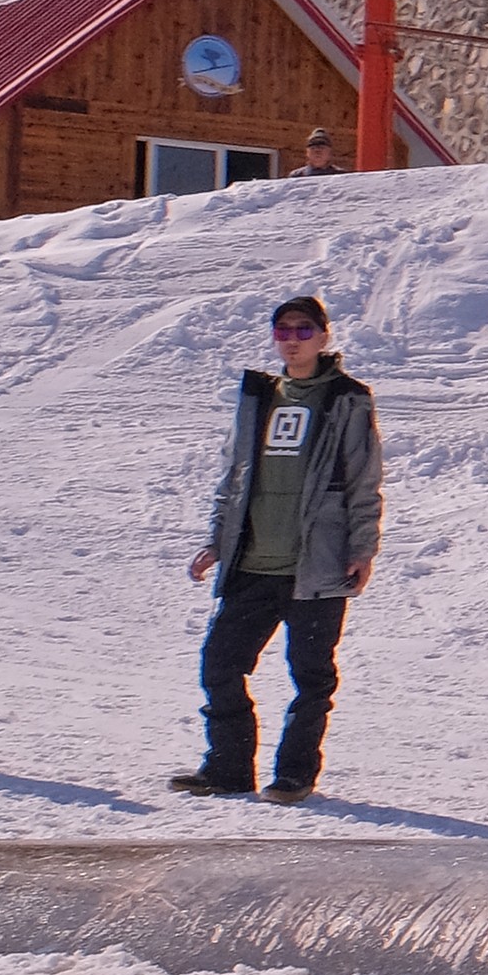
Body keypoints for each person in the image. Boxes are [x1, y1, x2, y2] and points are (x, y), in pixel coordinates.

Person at [173, 295, 381, 804]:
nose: (292, 340)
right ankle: (227, 769)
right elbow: (234, 477)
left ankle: (294, 775)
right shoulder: (260, 396)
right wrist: (217, 541)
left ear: (324, 337)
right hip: (255, 563)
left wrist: (362, 548)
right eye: (283, 331)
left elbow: (364, 480)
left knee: (311, 678)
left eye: (304, 330)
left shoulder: (346, 399)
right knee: (220, 665)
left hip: (318, 566)